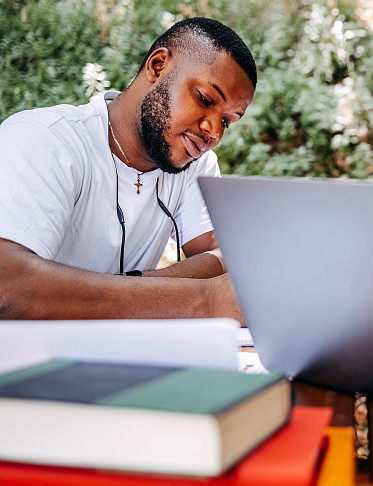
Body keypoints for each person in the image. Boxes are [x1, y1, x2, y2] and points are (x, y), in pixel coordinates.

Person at [0, 17, 256, 322]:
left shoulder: (194, 163)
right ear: (158, 66)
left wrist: (137, 289)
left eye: (227, 121)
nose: (213, 131)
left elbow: (224, 258)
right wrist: (202, 300)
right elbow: (8, 286)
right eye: (205, 99)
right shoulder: (45, 138)